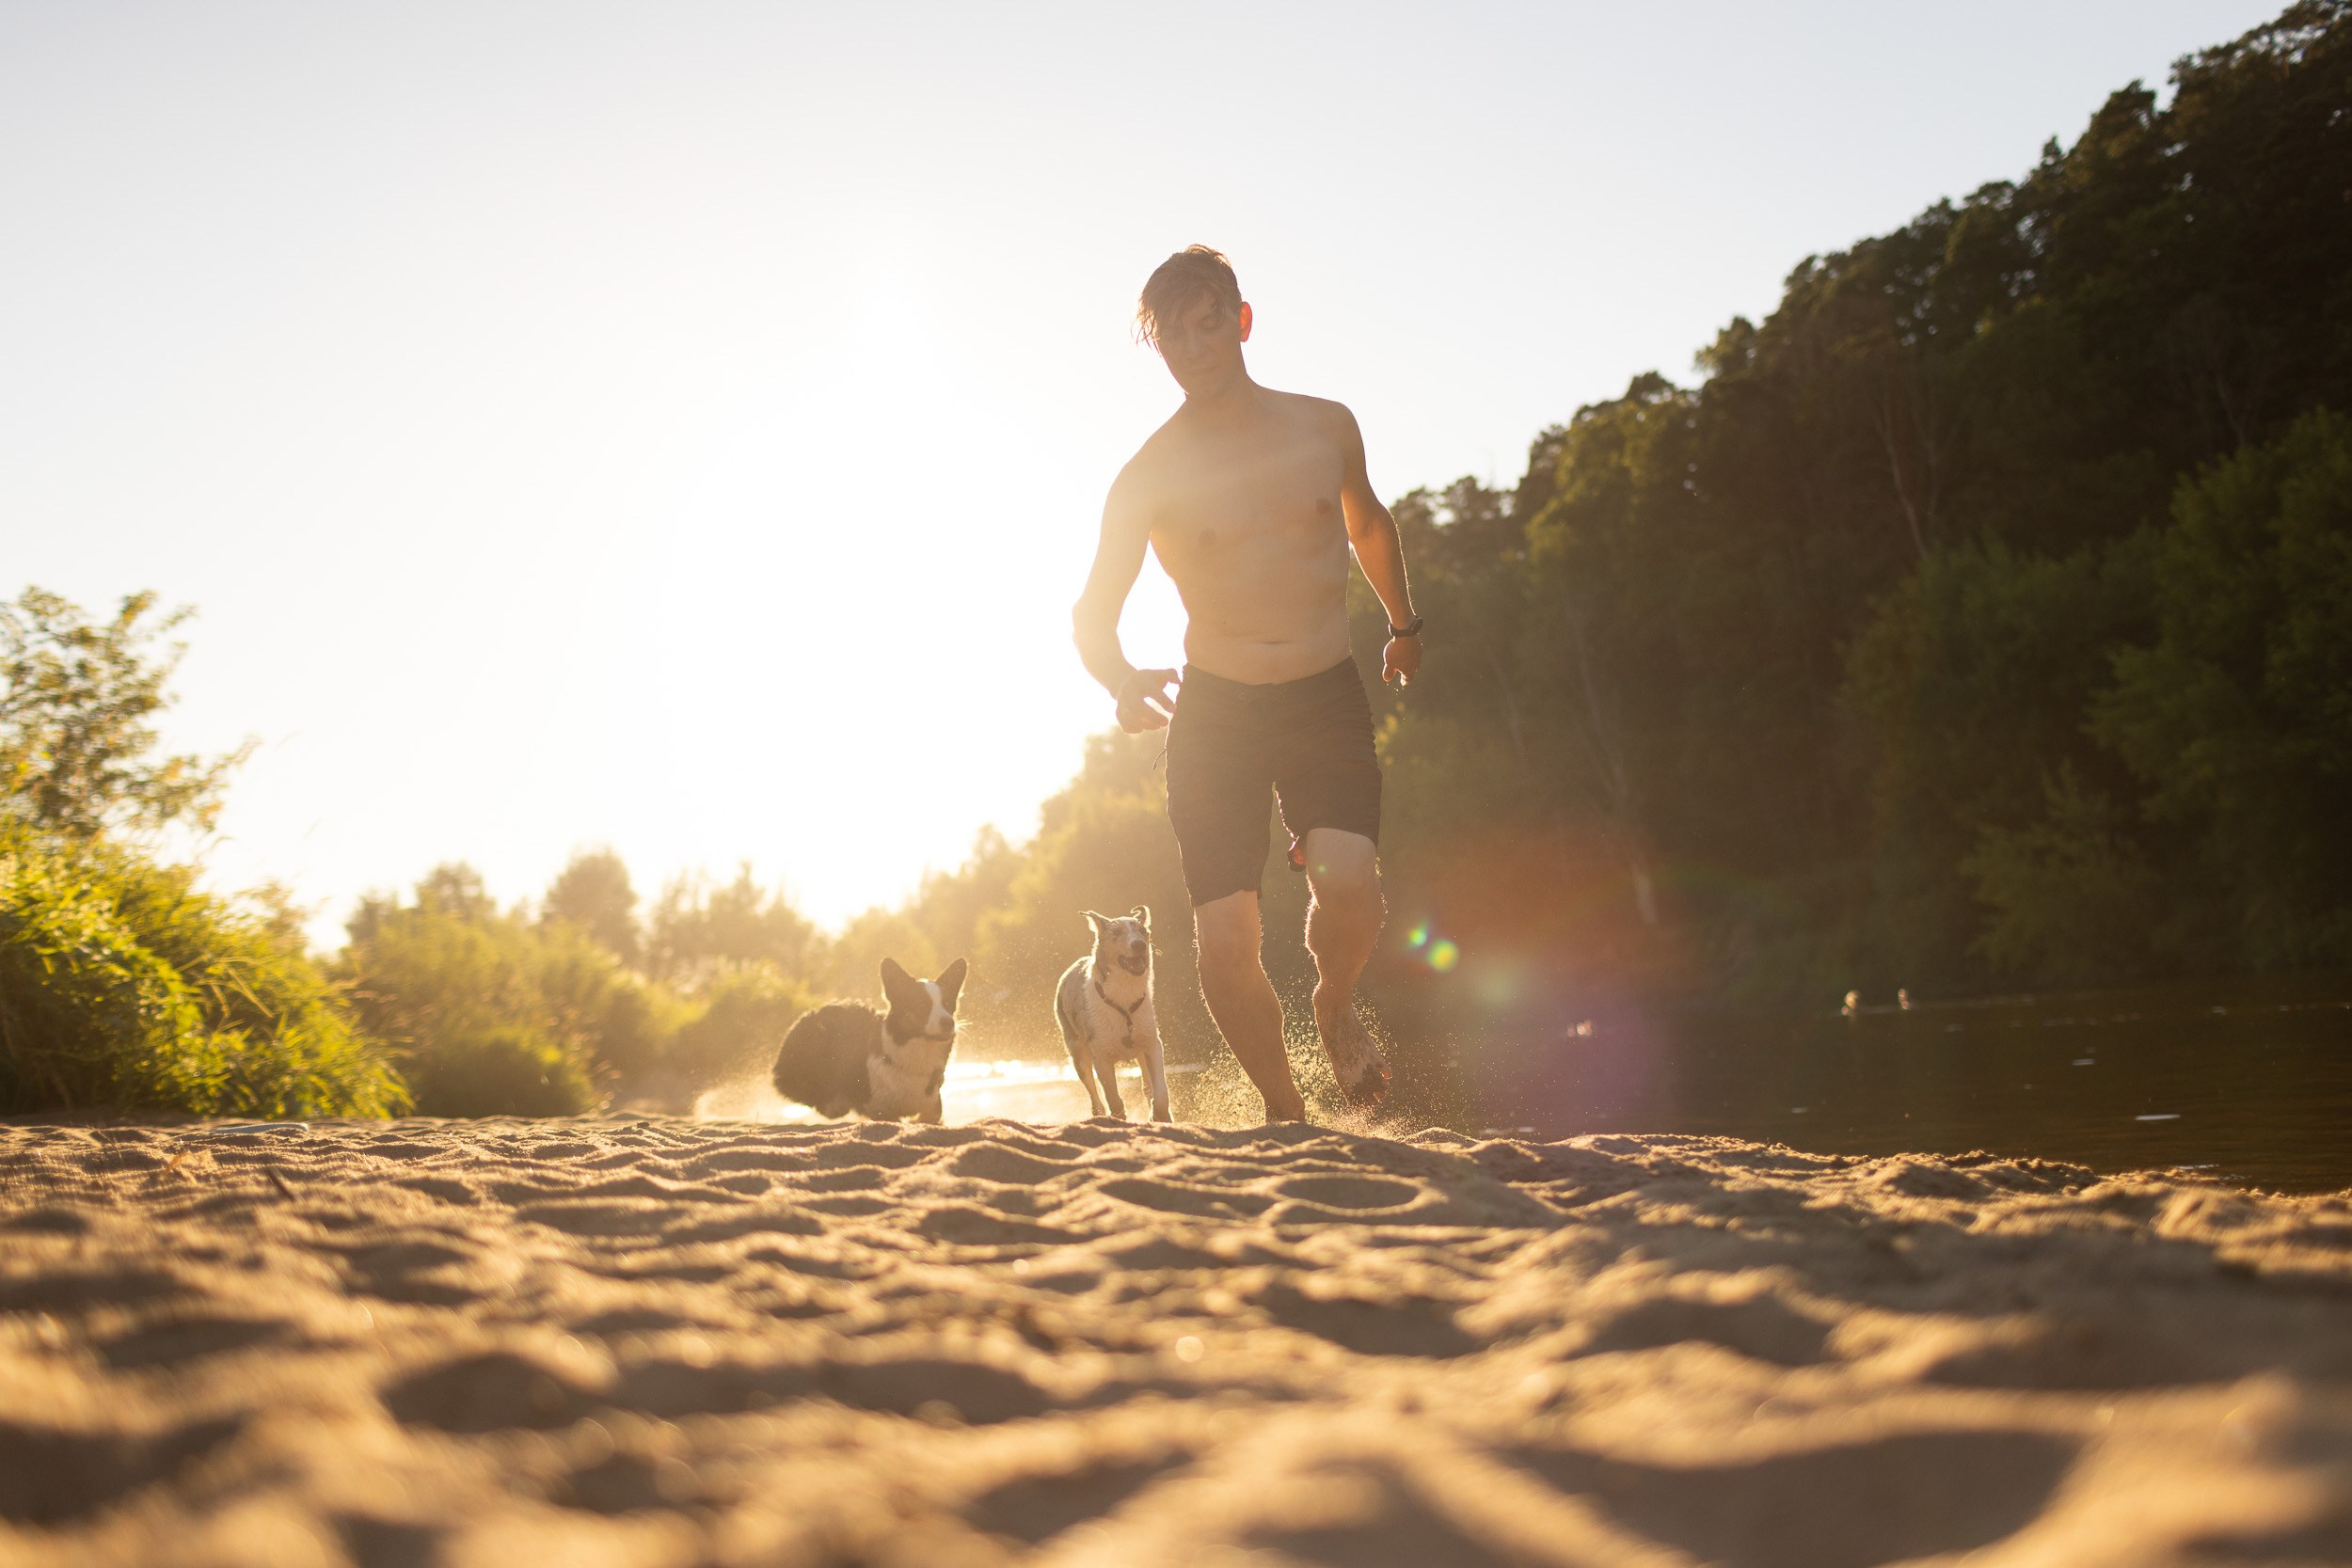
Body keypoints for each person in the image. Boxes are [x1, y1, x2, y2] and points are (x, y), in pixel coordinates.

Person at [1073, 245, 1422, 1121]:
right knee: (1225, 938)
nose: (1194, 347)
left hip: (1322, 689)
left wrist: (1404, 625)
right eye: (1173, 337)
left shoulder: (1325, 426)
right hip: (1217, 711)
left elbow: (1369, 522)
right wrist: (1119, 680)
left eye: (1207, 323)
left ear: (1242, 319)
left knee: (1349, 879)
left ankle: (1333, 1004)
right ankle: (1285, 1111)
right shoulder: (1147, 476)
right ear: (1158, 352)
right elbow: (1092, 612)